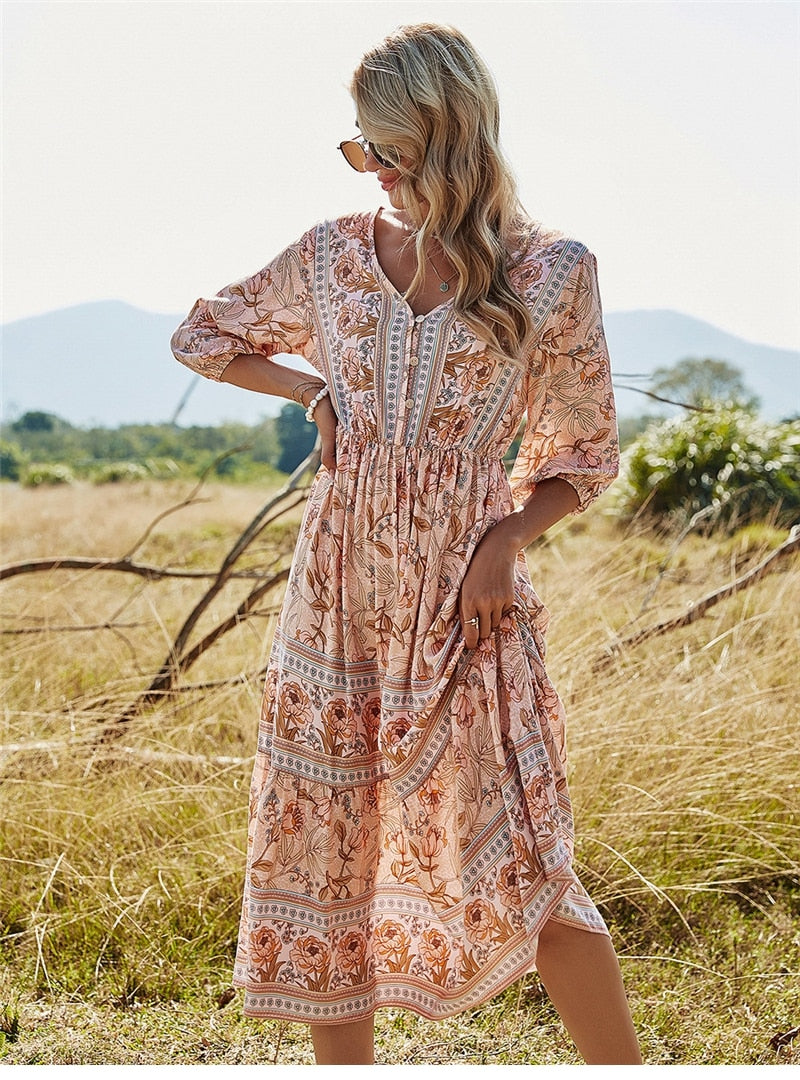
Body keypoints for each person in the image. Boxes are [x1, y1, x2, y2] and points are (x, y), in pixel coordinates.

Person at [171, 22, 641, 1066]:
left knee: (535, 869)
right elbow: (202, 336)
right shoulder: (329, 255)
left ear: (451, 137)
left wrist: (506, 538)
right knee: (323, 869)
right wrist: (310, 389)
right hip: (335, 593)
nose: (374, 170)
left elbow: (583, 451)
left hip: (465, 602)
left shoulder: (551, 271)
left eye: (391, 149)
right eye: (360, 148)